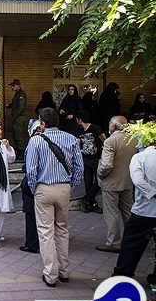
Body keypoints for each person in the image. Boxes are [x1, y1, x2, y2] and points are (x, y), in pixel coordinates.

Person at [25, 108, 83, 287]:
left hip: (43, 188)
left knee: (45, 231)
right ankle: (64, 271)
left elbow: (31, 170)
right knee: (62, 229)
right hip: (64, 187)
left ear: (42, 123)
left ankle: (51, 274)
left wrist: (35, 189)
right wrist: (70, 186)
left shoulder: (35, 141)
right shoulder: (71, 139)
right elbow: (79, 168)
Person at [112, 136, 156, 285]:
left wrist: (152, 192)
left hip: (143, 210)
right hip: (145, 209)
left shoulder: (140, 157)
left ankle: (122, 276)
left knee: (131, 246)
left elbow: (137, 180)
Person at [96, 116, 138, 253]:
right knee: (128, 211)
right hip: (128, 181)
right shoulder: (133, 140)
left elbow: (106, 165)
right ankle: (132, 239)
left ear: (113, 126)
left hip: (111, 183)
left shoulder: (110, 141)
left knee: (111, 213)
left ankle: (114, 242)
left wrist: (101, 175)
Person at [75, 110, 106, 213]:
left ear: (80, 119)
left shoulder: (95, 128)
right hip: (85, 159)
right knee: (88, 182)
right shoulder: (79, 129)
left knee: (98, 182)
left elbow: (104, 140)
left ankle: (86, 199)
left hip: (96, 158)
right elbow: (78, 143)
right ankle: (91, 204)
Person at [20, 119, 42, 254]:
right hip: (47, 183)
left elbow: (31, 168)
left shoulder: (34, 142)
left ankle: (32, 243)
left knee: (31, 215)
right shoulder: (49, 140)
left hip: (34, 184)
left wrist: (31, 187)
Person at [7, 79, 28, 160]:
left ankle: (21, 154)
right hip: (17, 117)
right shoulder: (17, 94)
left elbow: (21, 108)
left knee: (19, 136)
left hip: (19, 118)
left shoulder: (21, 94)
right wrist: (9, 105)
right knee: (16, 135)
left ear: (18, 85)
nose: (12, 87)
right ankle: (19, 152)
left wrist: (15, 116)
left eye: (13, 86)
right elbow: (15, 104)